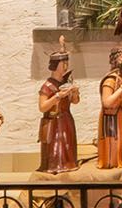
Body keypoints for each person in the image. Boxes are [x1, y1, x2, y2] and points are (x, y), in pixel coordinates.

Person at [37, 41, 80, 174]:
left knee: (67, 146)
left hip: (66, 120)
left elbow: (75, 101)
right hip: (54, 122)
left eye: (67, 63)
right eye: (63, 64)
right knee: (56, 149)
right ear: (55, 66)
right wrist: (58, 96)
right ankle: (54, 167)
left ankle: (68, 164)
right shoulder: (47, 86)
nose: (66, 66)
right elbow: (43, 107)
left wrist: (74, 93)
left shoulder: (66, 83)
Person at [96, 45, 122, 168]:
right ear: (114, 59)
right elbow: (107, 103)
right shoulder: (110, 81)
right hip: (113, 118)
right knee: (115, 145)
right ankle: (112, 162)